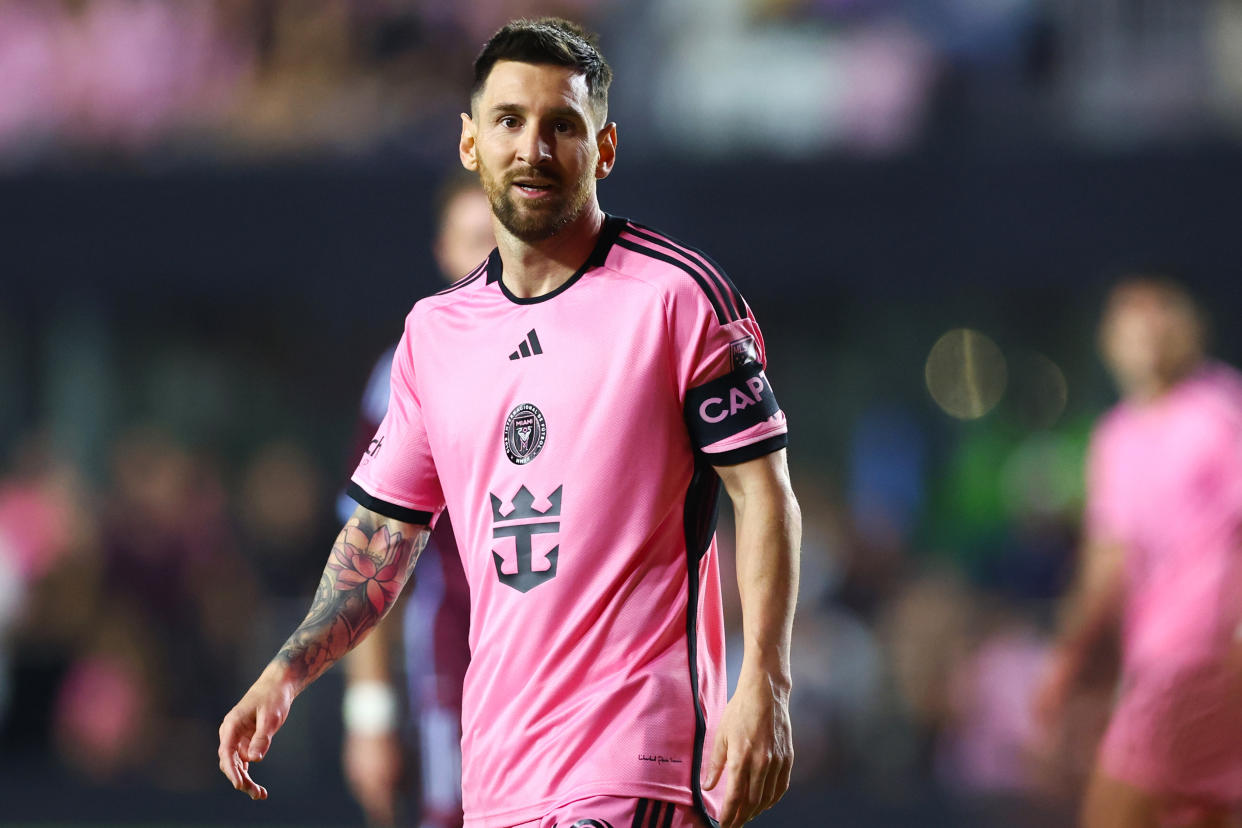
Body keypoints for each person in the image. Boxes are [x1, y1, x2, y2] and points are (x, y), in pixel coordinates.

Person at [218, 18, 801, 828]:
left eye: (563, 124)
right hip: (494, 773)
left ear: (604, 149)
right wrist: (285, 673)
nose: (534, 147)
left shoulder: (677, 297)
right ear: (469, 143)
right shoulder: (435, 335)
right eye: (510, 121)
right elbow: (383, 539)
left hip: (635, 761)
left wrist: (764, 679)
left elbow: (765, 493)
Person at [1035, 276, 1242, 828]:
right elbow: (1108, 563)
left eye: (1162, 313)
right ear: (1109, 339)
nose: (1148, 328)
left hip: (1197, 662)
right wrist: (1067, 662)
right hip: (1161, 663)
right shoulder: (1116, 438)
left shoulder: (1221, 414)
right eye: (1132, 316)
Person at [339, 174, 492, 828]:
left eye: (509, 236)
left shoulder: (593, 345)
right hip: (460, 653)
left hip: (582, 654)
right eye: (477, 240)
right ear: (444, 251)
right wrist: (370, 715)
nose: (494, 259)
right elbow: (372, 554)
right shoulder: (410, 369)